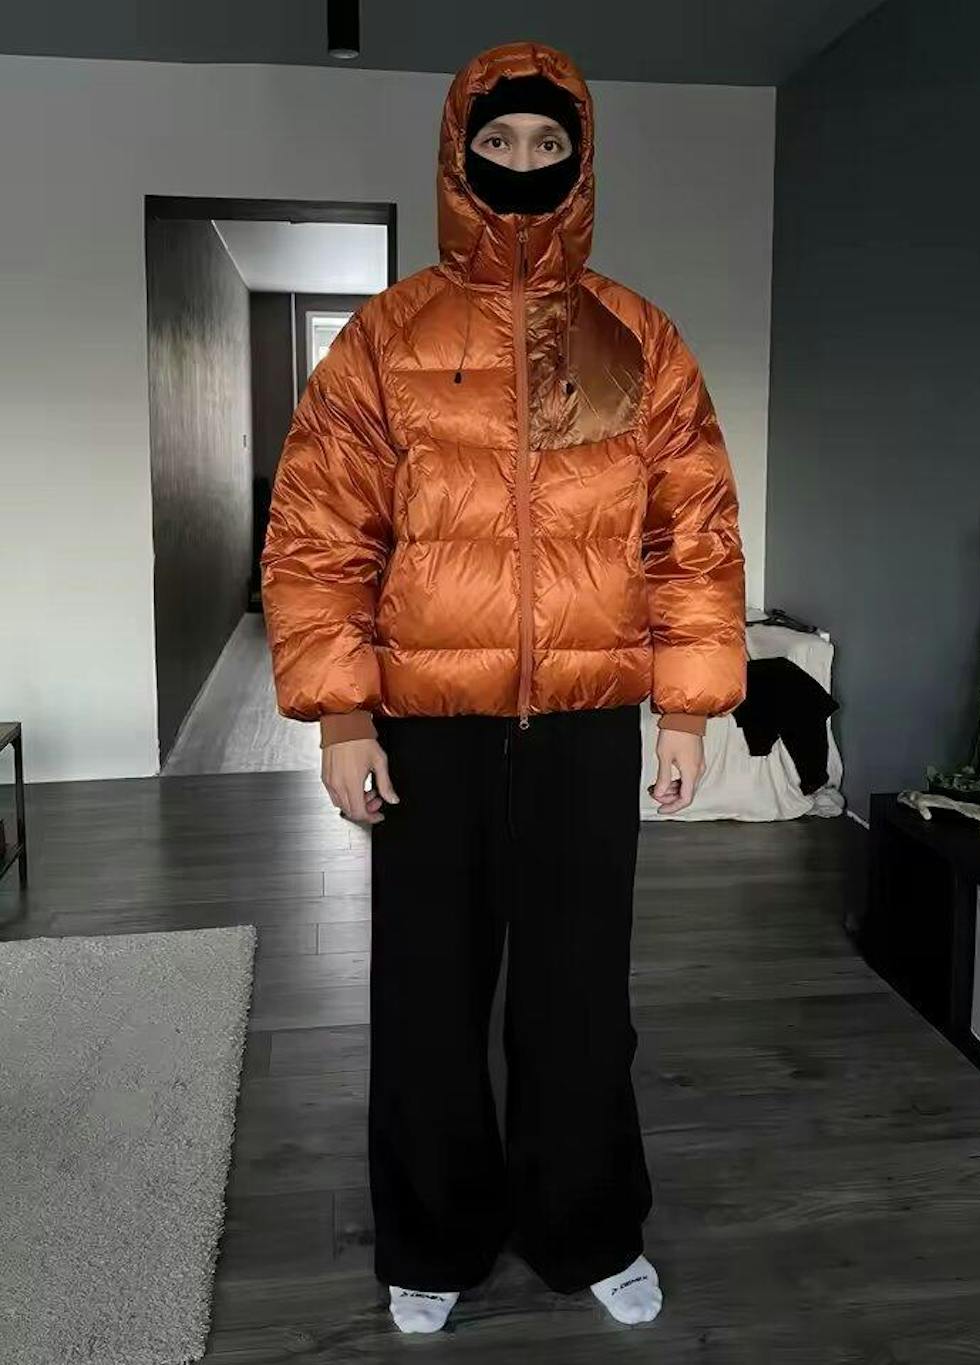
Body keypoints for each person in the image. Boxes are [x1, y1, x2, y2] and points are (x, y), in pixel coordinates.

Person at [260, 40, 746, 1335]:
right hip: (430, 724)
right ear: (459, 155)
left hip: (586, 720)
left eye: (545, 143)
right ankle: (432, 1236)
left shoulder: (636, 337)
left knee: (580, 999)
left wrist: (686, 704)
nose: (521, 163)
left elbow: (693, 529)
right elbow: (319, 533)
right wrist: (343, 714)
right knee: (427, 994)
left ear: (578, 160)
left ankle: (588, 1226)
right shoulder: (388, 338)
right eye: (498, 142)